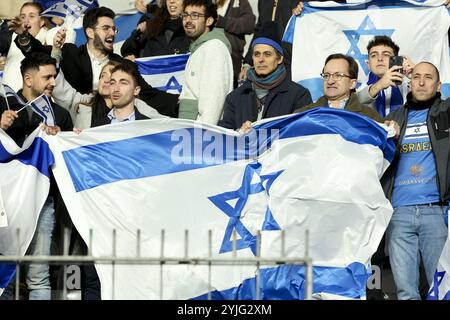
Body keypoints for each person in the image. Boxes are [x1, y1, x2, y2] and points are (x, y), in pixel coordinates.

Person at [12, 6, 179, 118]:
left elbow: (148, 94)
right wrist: (24, 37)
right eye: (106, 28)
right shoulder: (70, 53)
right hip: (75, 127)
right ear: (90, 32)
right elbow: (39, 55)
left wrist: (181, 104)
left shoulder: (124, 66)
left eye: (114, 29)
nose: (112, 33)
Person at [0, 52, 73, 300]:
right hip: (4, 201)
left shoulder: (60, 115)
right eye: (47, 77)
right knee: (4, 276)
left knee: (38, 276)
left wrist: (65, 138)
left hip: (42, 202)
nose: (53, 82)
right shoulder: (3, 105)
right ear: (28, 79)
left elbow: (66, 161)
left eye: (55, 76)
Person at [382, 62, 449, 300]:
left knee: (442, 290)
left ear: (439, 85)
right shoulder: (393, 118)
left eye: (428, 77)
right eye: (417, 77)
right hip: (399, 214)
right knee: (405, 293)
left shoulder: (446, 113)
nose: (421, 82)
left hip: (436, 213)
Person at [219, 21, 311, 130]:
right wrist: (239, 133)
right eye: (257, 54)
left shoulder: (298, 95)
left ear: (279, 59)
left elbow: (302, 134)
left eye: (267, 54)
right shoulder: (235, 97)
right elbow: (224, 135)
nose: (261, 59)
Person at [178, 0, 233, 124]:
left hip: (201, 135)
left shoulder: (214, 48)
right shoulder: (199, 48)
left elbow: (213, 100)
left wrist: (202, 136)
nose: (188, 20)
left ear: (209, 21)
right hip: (190, 130)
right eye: (185, 15)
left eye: (195, 15)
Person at [295, 53, 383, 122]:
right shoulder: (302, 115)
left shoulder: (370, 117)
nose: (330, 81)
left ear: (352, 83)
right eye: (326, 75)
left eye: (338, 75)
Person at [356, 35, 415, 117]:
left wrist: (416, 75)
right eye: (374, 55)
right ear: (368, 65)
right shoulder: (361, 87)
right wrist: (380, 85)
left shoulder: (408, 84)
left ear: (397, 60)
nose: (380, 58)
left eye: (386, 55)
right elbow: (352, 103)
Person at [1, 2, 51, 91]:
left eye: (31, 16)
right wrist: (7, 26)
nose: (26, 21)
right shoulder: (12, 36)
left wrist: (24, 36)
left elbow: (35, 52)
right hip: (7, 99)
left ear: (42, 21)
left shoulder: (50, 39)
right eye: (23, 17)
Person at [121, 0, 190, 59]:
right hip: (152, 72)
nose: (171, 1)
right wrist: (138, 32)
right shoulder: (152, 23)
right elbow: (126, 50)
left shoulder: (193, 26)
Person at [213, 0, 255, 87]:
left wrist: (222, 21)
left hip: (232, 59)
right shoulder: (206, 4)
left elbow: (249, 25)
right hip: (209, 57)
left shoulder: (239, 2)